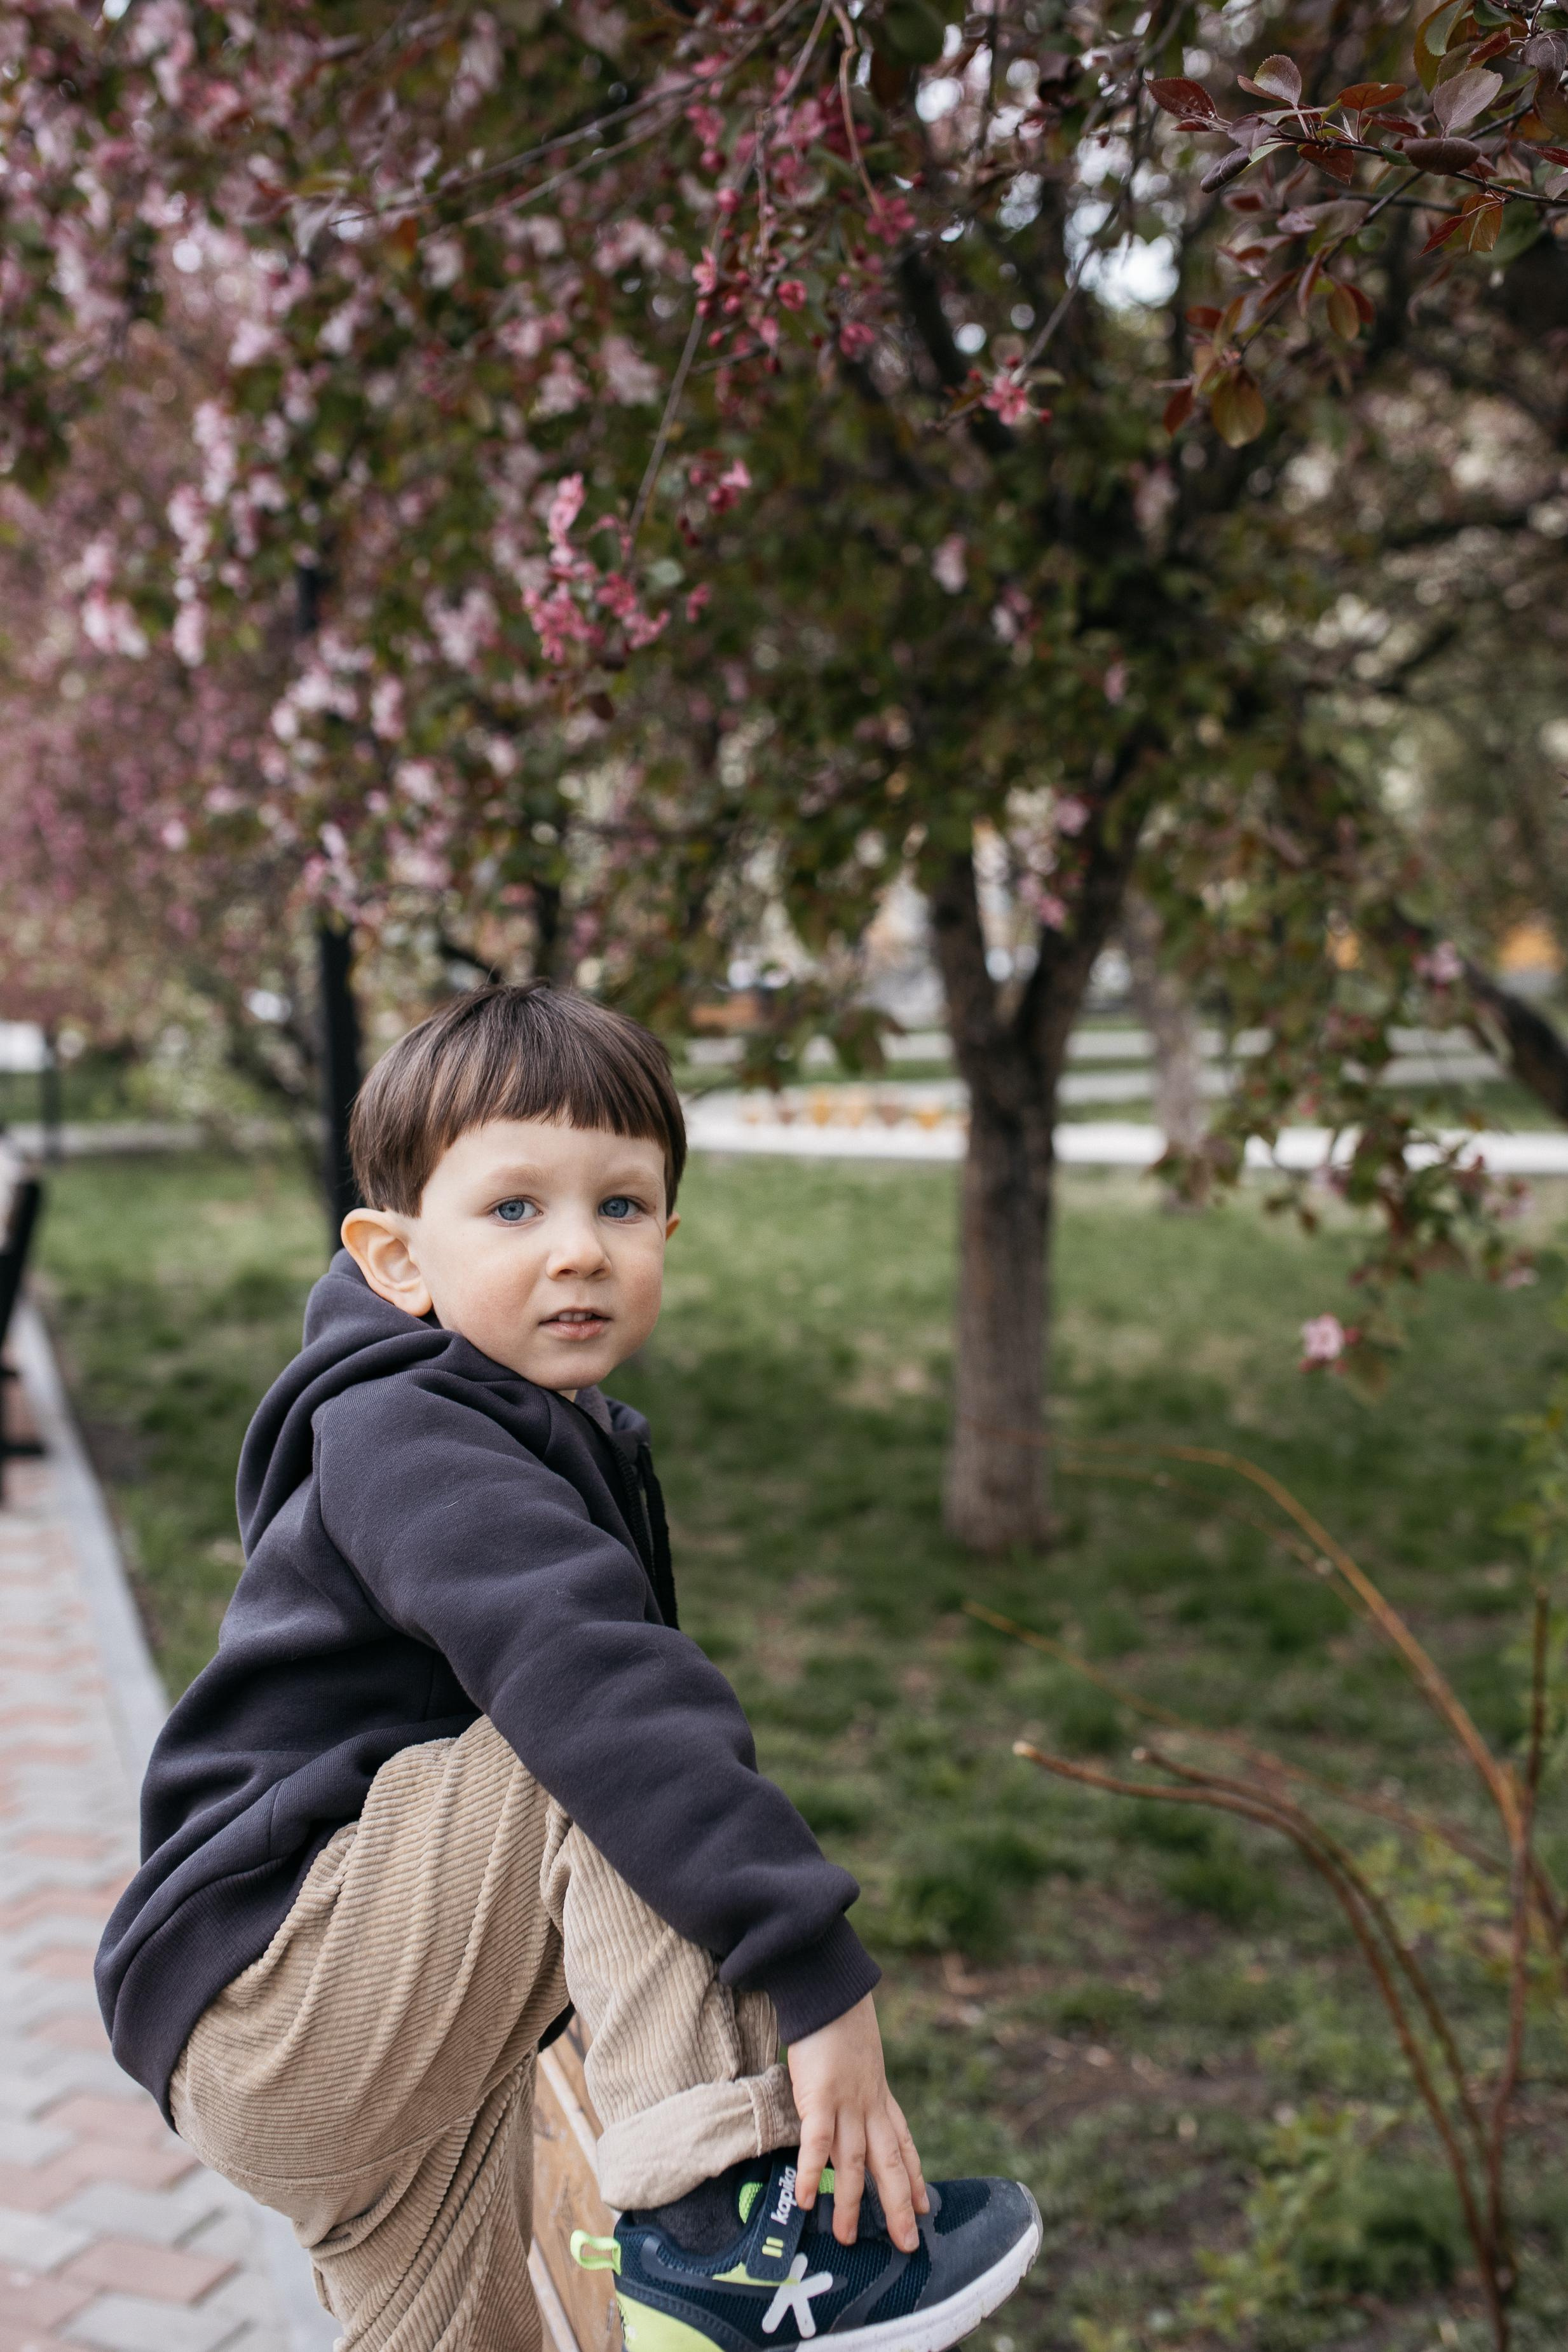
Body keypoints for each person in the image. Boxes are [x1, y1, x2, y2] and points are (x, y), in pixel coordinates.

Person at [96, 982, 1040, 2351]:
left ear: (668, 1227)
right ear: (395, 1258)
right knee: (590, 1744)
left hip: (362, 2049)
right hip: (279, 1989)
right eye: (515, 1207)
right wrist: (814, 1970)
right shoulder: (404, 1428)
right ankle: (711, 2231)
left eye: (620, 1204)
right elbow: (601, 1695)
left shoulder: (521, 1423)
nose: (579, 1251)